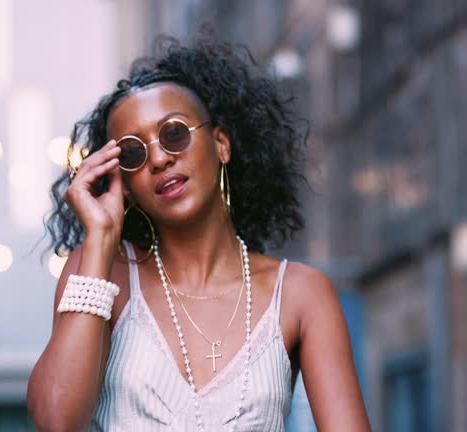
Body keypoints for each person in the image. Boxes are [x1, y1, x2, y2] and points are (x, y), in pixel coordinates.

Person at [27, 29, 371, 431]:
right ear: (126, 185)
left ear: (221, 144)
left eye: (174, 133)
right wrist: (102, 238)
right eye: (134, 153)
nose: (158, 158)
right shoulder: (102, 270)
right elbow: (55, 419)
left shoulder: (300, 293)